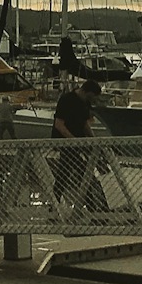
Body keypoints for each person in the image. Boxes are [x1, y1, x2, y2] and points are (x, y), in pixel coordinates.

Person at [51, 83, 97, 215]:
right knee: (81, 173)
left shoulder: (85, 103)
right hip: (66, 143)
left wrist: (94, 140)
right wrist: (73, 140)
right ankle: (92, 208)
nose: (93, 101)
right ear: (86, 92)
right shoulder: (66, 100)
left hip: (77, 143)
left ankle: (55, 205)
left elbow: (84, 124)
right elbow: (59, 125)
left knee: (65, 174)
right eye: (92, 97)